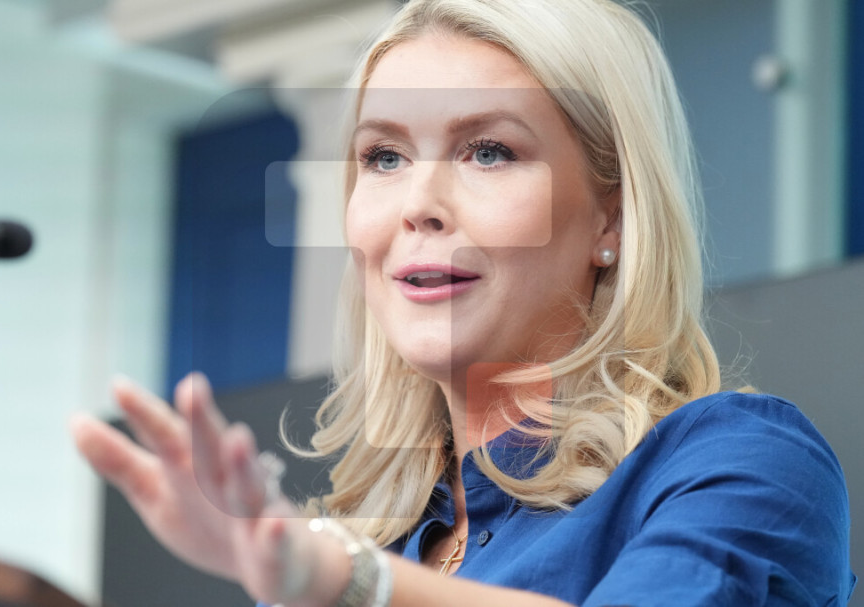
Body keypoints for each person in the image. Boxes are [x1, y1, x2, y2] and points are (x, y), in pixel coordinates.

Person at [71, 0, 856, 605]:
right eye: (384, 156)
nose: (419, 204)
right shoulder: (371, 543)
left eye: (489, 151)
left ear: (611, 219)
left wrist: (346, 580)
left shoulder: (744, 464)